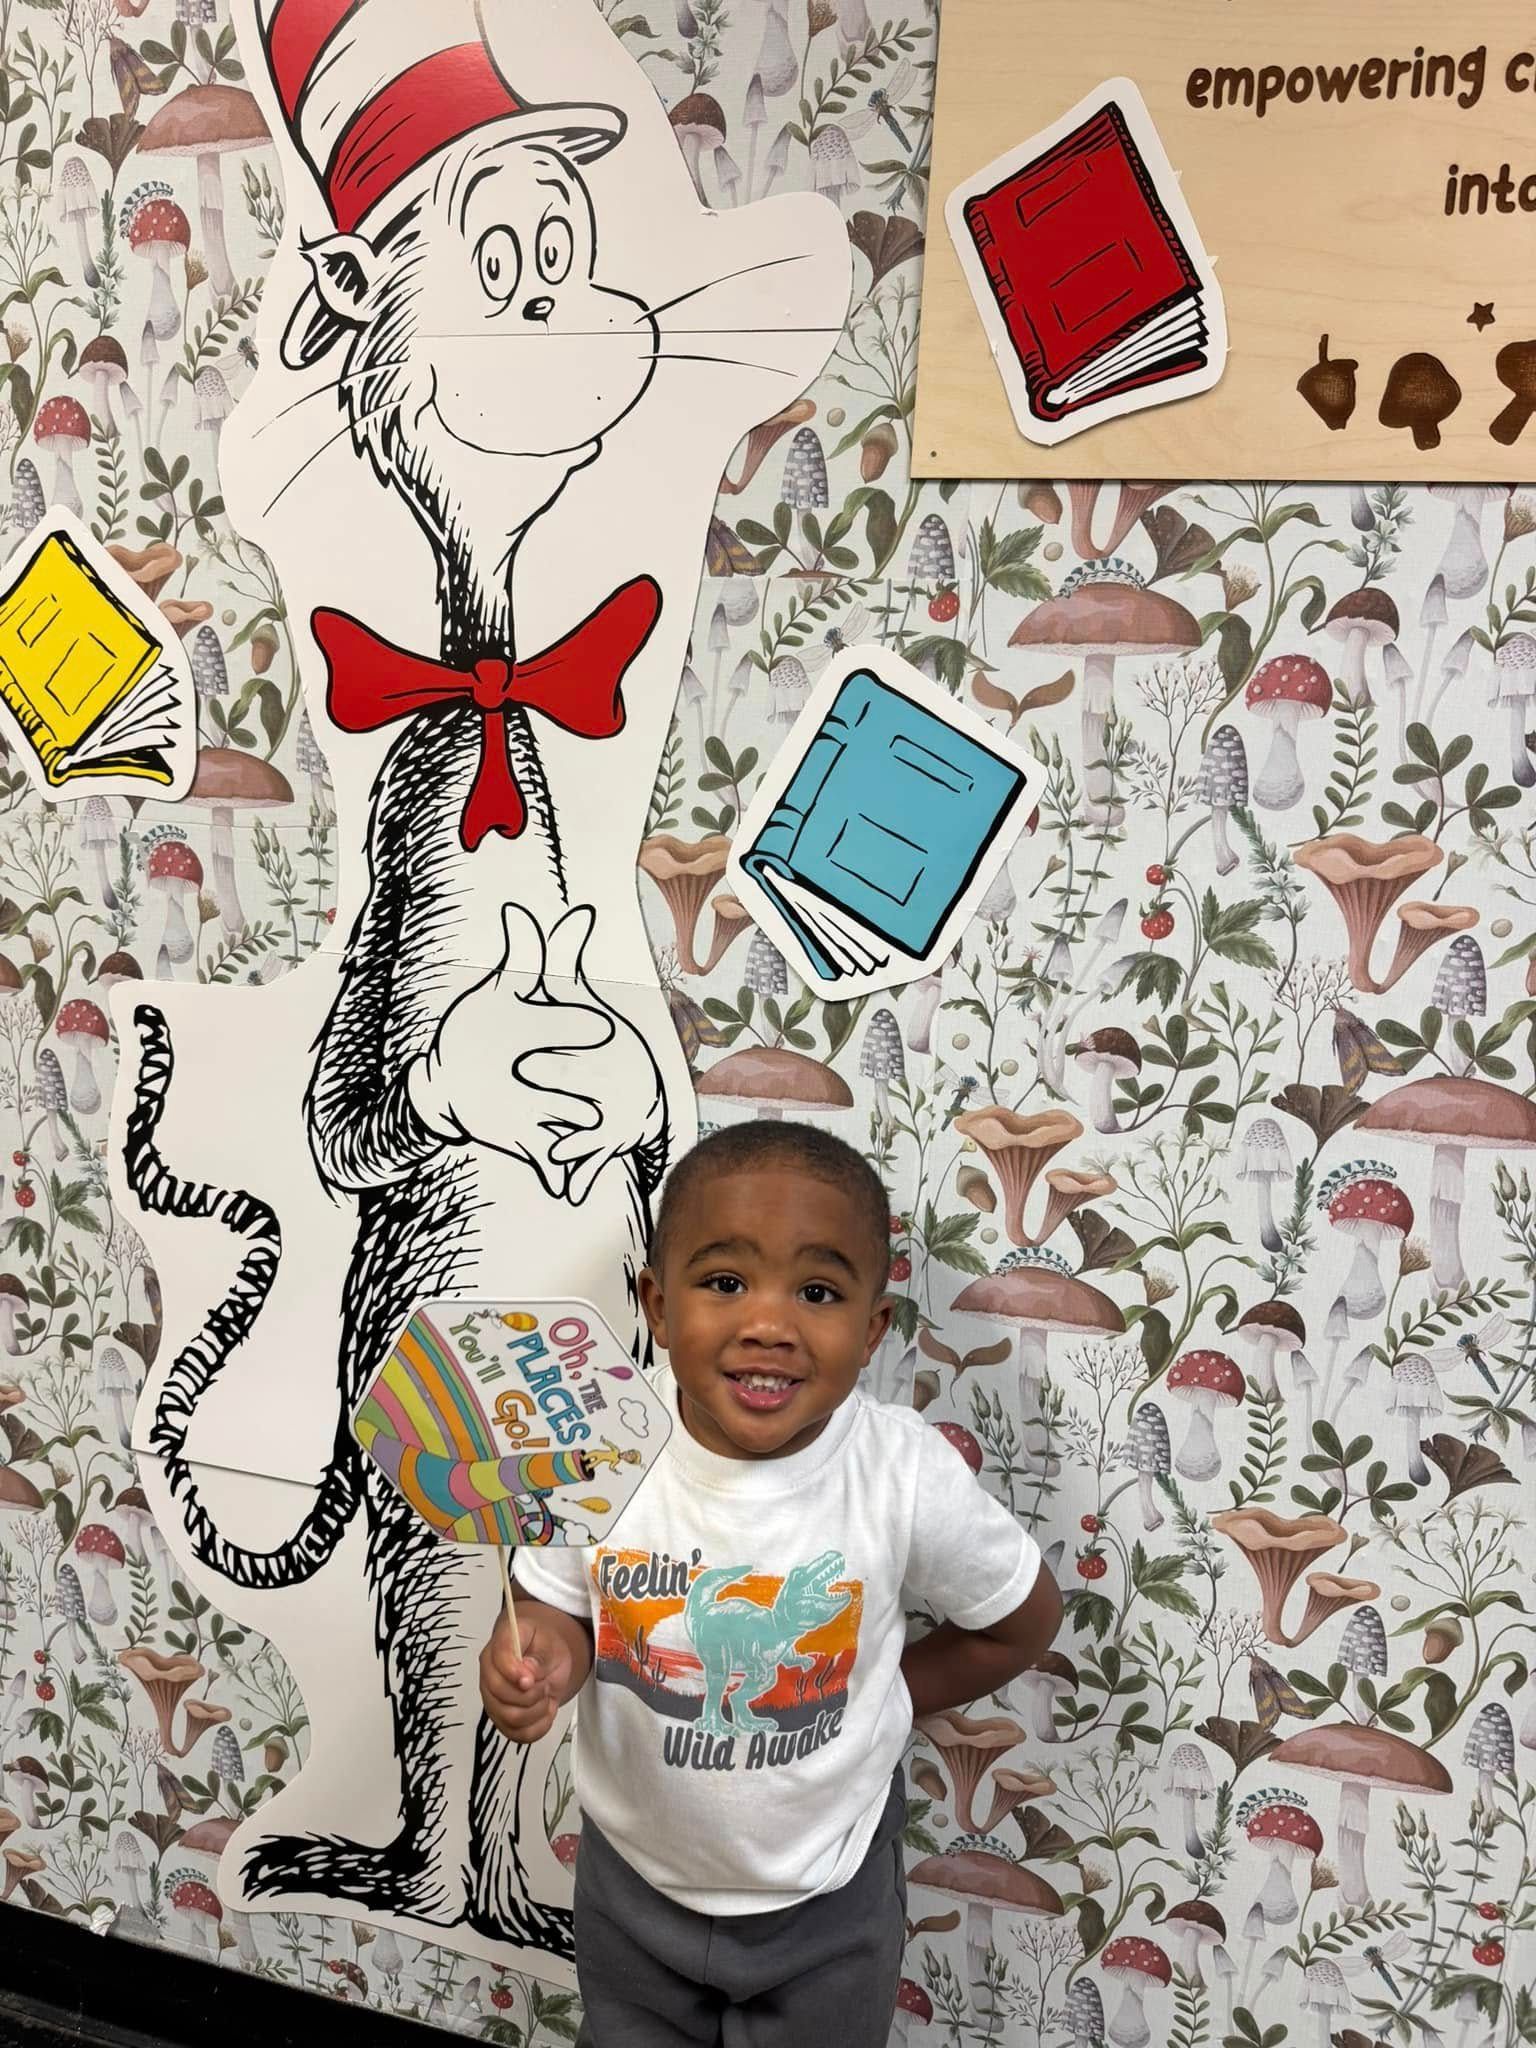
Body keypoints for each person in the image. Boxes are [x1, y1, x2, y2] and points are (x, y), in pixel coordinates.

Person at [480, 1120, 1063, 2045]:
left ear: (871, 1331)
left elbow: (1020, 1622)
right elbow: (554, 1606)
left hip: (829, 1895)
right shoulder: (599, 1443)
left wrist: (888, 1693)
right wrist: (540, 1657)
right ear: (657, 1306)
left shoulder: (900, 1474)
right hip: (631, 1880)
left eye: (818, 1292)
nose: (768, 1324)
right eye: (724, 1282)